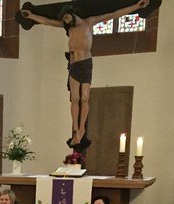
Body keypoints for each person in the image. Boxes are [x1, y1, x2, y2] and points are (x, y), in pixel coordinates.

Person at [21, 0, 150, 148]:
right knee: (75, 98)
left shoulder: (89, 23)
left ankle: (82, 128)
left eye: (66, 17)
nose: (65, 21)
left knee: (84, 98)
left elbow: (113, 14)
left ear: (72, 14)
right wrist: (31, 16)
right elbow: (47, 21)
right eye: (63, 19)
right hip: (73, 65)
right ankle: (76, 130)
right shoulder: (69, 28)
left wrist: (136, 6)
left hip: (85, 64)